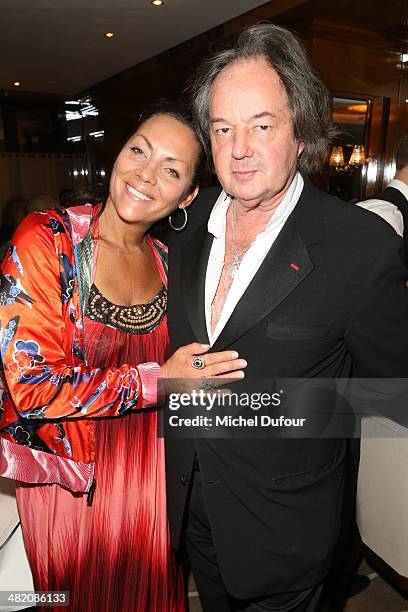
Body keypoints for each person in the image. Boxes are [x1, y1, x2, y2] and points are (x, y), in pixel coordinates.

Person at [164, 24, 408, 612]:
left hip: (284, 532)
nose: (239, 147)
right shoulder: (183, 228)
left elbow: (396, 392)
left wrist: (263, 405)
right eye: (223, 129)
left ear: (300, 133)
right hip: (190, 509)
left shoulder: (357, 246)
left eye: (262, 125)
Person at [0, 100, 246, 612]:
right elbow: (33, 388)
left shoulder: (170, 265)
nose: (145, 174)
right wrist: (160, 380)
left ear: (188, 195)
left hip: (153, 480)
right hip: (73, 487)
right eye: (139, 150)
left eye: (171, 169)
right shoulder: (48, 241)